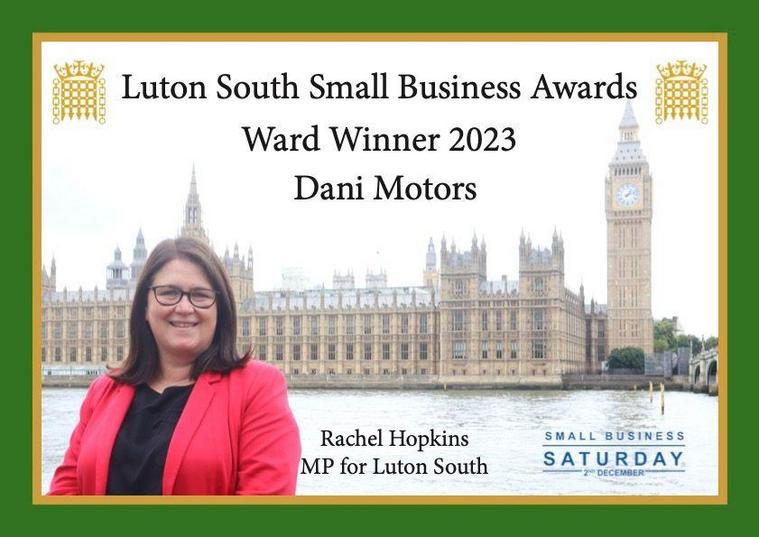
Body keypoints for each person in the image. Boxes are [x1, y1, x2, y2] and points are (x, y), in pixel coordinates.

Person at [49, 237, 301, 495]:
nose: (184, 307)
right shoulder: (102, 391)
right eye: (168, 293)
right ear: (144, 306)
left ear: (221, 309)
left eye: (200, 295)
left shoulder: (257, 388)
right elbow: (65, 489)